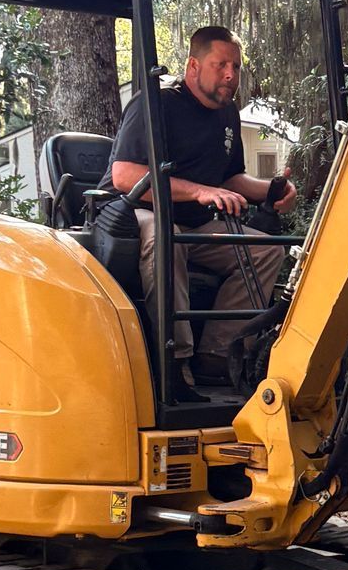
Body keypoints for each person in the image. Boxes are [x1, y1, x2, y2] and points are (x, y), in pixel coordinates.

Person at [109, 24, 295, 395]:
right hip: (137, 214)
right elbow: (124, 176)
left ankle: (218, 356)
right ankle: (174, 366)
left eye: (237, 66)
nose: (230, 74)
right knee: (168, 239)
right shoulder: (158, 103)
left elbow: (229, 179)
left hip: (195, 223)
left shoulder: (227, 115)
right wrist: (198, 192)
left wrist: (270, 190)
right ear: (193, 66)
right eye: (220, 64)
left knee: (265, 249)